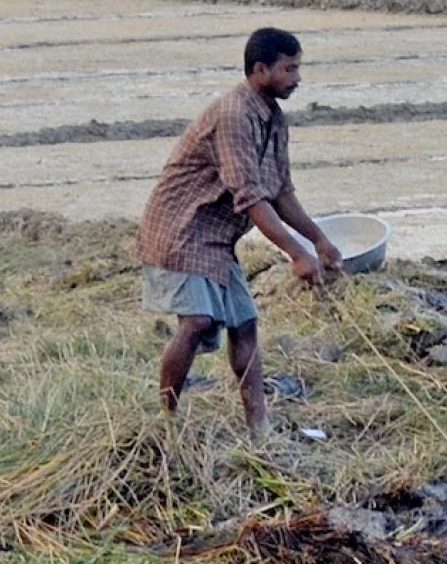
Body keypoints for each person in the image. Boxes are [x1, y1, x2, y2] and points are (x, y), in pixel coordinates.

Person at [139, 25, 342, 422]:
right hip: (182, 230)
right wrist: (296, 253)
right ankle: (166, 421)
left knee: (245, 323)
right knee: (197, 321)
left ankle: (258, 426)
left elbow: (280, 192)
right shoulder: (233, 115)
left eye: (299, 69)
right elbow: (250, 197)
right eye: (290, 70)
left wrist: (320, 241)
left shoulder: (273, 119)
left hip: (216, 237)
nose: (298, 79)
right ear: (260, 70)